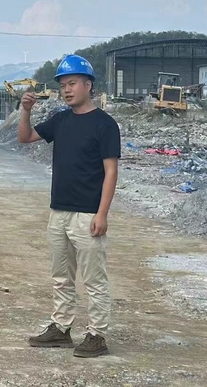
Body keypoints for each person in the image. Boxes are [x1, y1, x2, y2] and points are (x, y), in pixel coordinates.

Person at [17, 54, 121, 358]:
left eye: (72, 83)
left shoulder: (105, 125)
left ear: (88, 85)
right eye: (63, 84)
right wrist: (25, 111)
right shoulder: (61, 120)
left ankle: (97, 334)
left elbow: (111, 172)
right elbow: (25, 137)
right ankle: (61, 328)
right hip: (59, 211)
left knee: (93, 279)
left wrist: (102, 214)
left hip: (88, 214)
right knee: (61, 275)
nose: (67, 89)